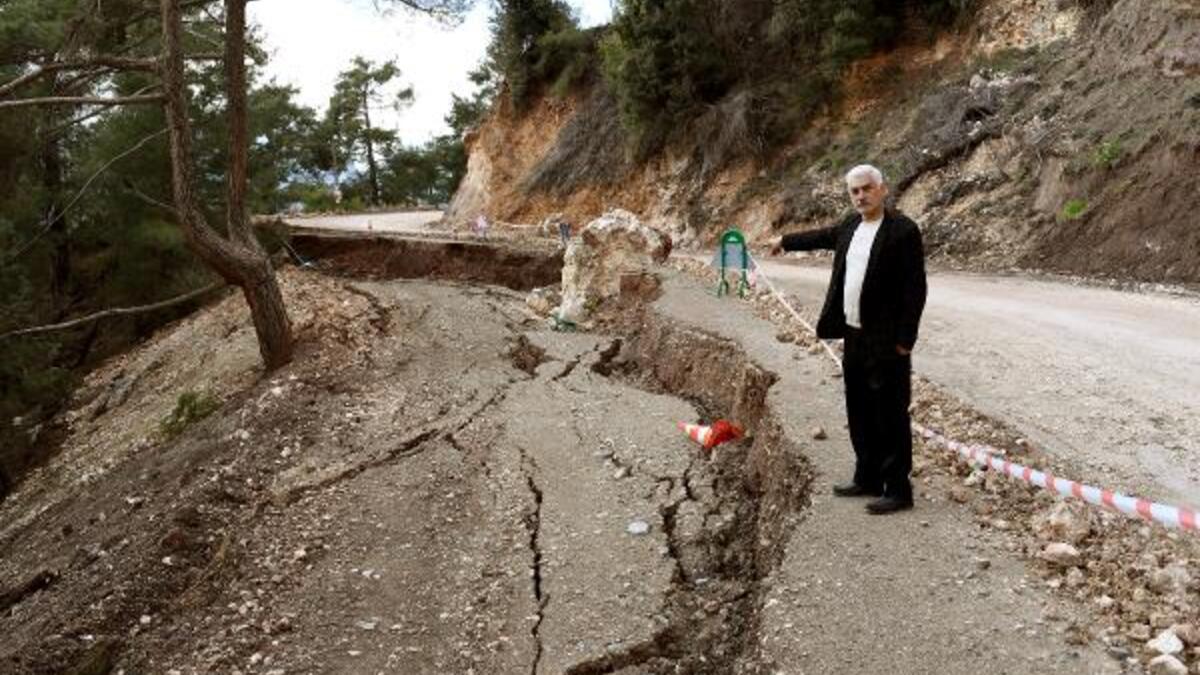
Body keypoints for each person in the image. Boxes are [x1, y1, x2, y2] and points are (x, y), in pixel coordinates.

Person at [768, 164, 927, 515]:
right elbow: (822, 236)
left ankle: (898, 489)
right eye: (854, 191)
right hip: (853, 335)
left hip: (887, 341)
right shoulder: (851, 226)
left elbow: (915, 289)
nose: (860, 196)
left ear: (882, 189)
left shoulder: (903, 231)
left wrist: (906, 340)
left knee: (890, 415)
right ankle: (867, 476)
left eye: (867, 188)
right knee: (859, 410)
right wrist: (785, 241)